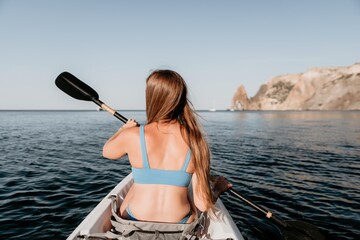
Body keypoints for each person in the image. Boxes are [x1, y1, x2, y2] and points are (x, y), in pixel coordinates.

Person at [103, 69, 230, 224]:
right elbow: (202, 204)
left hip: (134, 220)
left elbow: (107, 151)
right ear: (181, 99)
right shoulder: (197, 141)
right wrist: (217, 188)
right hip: (179, 225)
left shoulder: (132, 135)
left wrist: (124, 129)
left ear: (152, 98)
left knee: (135, 187)